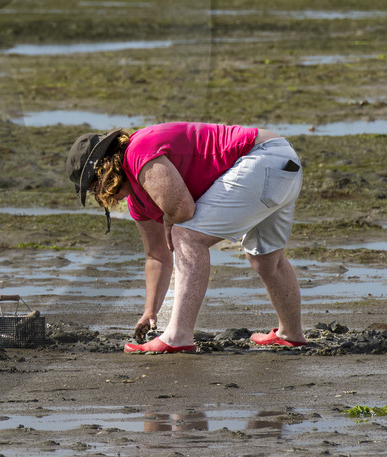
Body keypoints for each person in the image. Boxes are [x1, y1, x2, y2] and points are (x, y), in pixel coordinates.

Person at [68, 122, 305, 355]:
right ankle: (290, 334)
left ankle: (179, 335)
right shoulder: (138, 201)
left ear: (106, 168)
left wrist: (172, 219)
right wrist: (151, 311)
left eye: (95, 186)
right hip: (282, 166)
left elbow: (183, 210)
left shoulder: (138, 152)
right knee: (265, 258)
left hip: (262, 158)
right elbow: (156, 256)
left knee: (186, 235)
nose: (99, 195)